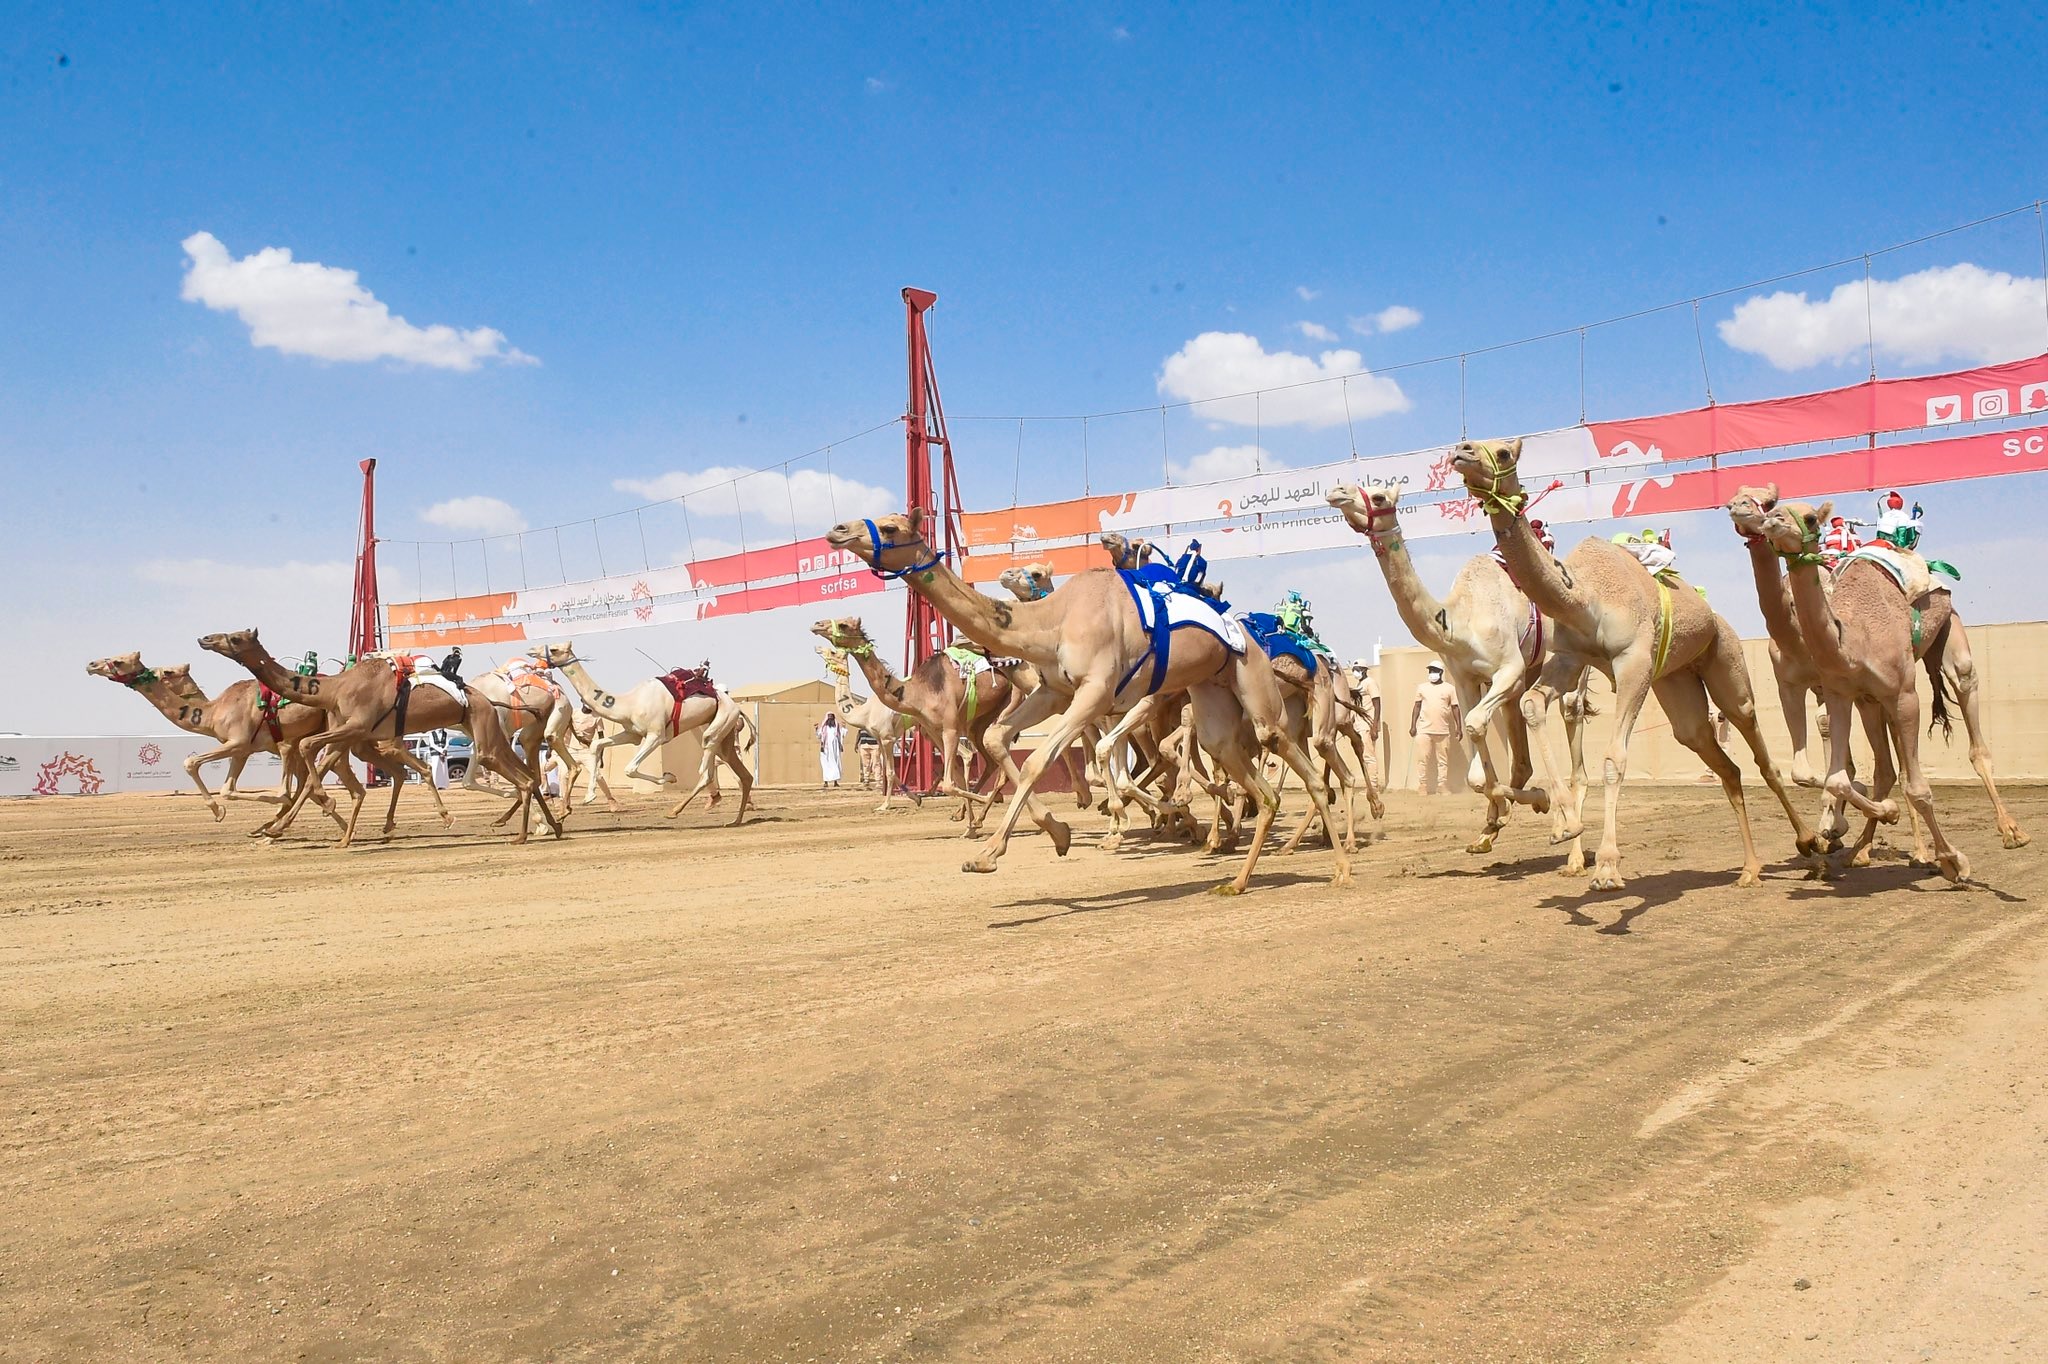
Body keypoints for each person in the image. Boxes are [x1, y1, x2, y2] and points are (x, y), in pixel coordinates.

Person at [1410, 661, 1460, 796]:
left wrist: (1458, 727)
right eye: (1430, 670)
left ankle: (1442, 785)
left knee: (1443, 760)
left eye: (1434, 670)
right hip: (1424, 730)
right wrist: (1413, 725)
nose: (1431, 673)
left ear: (1441, 672)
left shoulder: (1449, 688)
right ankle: (1423, 785)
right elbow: (1417, 706)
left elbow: (1455, 707)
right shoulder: (1422, 688)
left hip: (1443, 730)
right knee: (1422, 759)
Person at [1350, 660, 1383, 785]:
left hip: (1367, 724)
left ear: (1364, 670)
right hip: (1359, 724)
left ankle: (1373, 785)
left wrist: (1374, 726)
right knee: (1364, 756)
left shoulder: (1370, 683)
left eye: (1358, 669)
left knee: (1369, 756)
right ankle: (1370, 784)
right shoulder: (1359, 684)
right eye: (1354, 669)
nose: (1355, 672)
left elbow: (1377, 703)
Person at [816, 712, 843, 789]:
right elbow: (819, 736)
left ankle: (835, 782)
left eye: (832, 717)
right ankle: (826, 782)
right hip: (826, 749)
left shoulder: (836, 726)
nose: (830, 718)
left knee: (836, 763)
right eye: (829, 717)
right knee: (826, 764)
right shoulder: (824, 727)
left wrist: (840, 745)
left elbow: (840, 736)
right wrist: (816, 729)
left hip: (835, 749)